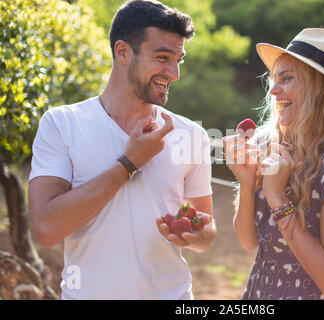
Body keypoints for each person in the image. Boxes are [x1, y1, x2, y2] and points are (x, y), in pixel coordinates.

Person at [28, 0, 216, 300]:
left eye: (178, 59)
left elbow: (206, 234)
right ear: (123, 52)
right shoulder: (62, 124)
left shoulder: (192, 135)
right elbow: (46, 227)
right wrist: (128, 164)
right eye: (162, 57)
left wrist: (194, 233)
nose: (174, 73)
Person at [223, 28, 324, 300]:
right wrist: (246, 181)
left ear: (323, 87)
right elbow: (249, 241)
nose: (273, 90)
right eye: (274, 80)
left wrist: (277, 197)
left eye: (286, 79)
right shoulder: (272, 147)